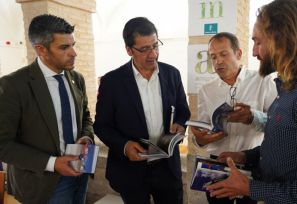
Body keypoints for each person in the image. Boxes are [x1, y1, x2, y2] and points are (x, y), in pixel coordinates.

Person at [207, 0, 297, 203]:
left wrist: (252, 189)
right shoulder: (290, 86)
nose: (254, 52)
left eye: (258, 42)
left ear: (284, 39)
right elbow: (289, 145)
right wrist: (247, 157)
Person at [93, 17, 190, 204]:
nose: (153, 54)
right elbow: (102, 126)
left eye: (155, 46)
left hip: (167, 168)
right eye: (144, 49)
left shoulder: (172, 74)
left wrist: (180, 125)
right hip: (131, 171)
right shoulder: (112, 82)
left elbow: (183, 111)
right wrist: (124, 145)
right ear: (129, 50)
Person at [0, 14, 94, 204]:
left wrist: (86, 136)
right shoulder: (13, 85)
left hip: (80, 172)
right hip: (43, 184)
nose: (74, 53)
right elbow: (3, 145)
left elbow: (85, 117)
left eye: (73, 44)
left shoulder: (77, 78)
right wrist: (52, 163)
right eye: (64, 47)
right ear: (41, 50)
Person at [190, 32, 277, 204]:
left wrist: (252, 117)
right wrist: (200, 140)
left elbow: (278, 124)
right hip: (217, 166)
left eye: (223, 54)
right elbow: (204, 129)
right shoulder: (206, 90)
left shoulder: (263, 80)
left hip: (251, 164)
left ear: (238, 54)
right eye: (213, 57)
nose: (218, 61)